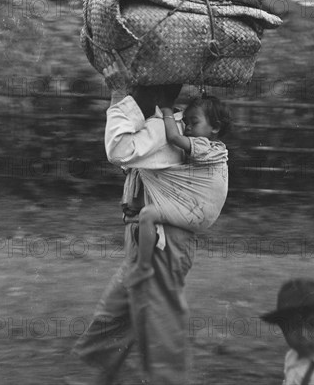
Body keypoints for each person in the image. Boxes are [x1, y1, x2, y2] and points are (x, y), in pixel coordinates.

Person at [72, 55, 213, 385]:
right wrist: (126, 97)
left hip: (164, 241)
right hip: (145, 234)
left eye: (136, 91)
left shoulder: (168, 130)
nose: (128, 99)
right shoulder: (160, 124)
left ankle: (166, 380)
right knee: (118, 310)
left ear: (155, 95)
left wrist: (121, 98)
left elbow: (118, 149)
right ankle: (105, 372)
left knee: (159, 320)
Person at [126, 95, 230, 286]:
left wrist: (167, 111)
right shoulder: (212, 149)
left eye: (194, 122)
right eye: (186, 121)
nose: (188, 127)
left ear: (215, 128)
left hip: (198, 210)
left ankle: (143, 267)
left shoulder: (203, 145)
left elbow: (173, 137)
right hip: (198, 209)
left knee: (147, 215)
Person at [260, 278, 314, 385]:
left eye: (313, 325)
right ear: (283, 330)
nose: (303, 334)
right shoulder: (292, 356)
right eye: (293, 326)